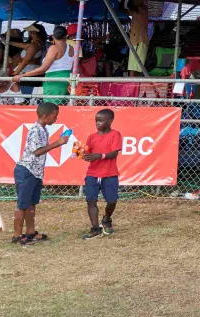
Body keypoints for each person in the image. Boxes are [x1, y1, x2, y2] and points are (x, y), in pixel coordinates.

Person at [12, 101, 70, 245]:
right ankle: (17, 235)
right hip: (26, 171)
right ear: (45, 116)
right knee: (22, 204)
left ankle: (30, 232)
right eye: (54, 116)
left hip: (36, 173)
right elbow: (36, 151)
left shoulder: (43, 130)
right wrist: (58, 143)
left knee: (32, 203)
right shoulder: (35, 130)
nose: (56, 119)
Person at [80, 108, 123, 240]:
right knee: (91, 200)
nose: (97, 123)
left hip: (109, 174)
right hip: (92, 173)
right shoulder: (91, 137)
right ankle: (95, 229)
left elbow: (114, 153)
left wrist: (99, 156)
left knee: (112, 200)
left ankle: (107, 219)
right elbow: (87, 153)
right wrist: (81, 154)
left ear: (110, 121)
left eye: (101, 120)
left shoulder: (115, 134)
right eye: (96, 120)